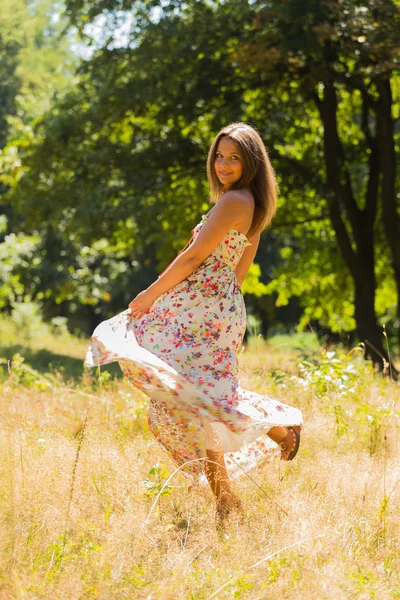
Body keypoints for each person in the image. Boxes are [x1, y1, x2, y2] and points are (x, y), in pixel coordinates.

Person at [85, 122, 302, 523]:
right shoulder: (249, 201)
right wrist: (215, 301)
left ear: (251, 162)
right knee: (190, 400)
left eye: (234, 157)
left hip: (203, 309)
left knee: (192, 396)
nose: (223, 164)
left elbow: (192, 257)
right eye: (219, 155)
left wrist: (152, 295)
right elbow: (240, 269)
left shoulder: (235, 201)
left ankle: (279, 427)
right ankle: (225, 498)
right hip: (211, 307)